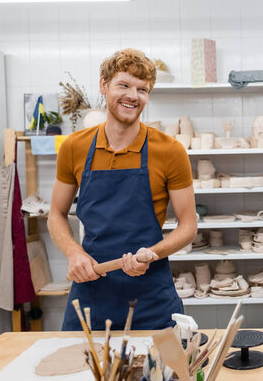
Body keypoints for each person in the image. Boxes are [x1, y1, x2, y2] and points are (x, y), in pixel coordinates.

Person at [48, 48, 197, 331]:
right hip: (90, 292)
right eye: (124, 85)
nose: (133, 96)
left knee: (160, 375)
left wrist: (151, 253)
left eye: (142, 89)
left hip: (150, 297)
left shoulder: (169, 151)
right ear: (104, 86)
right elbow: (55, 213)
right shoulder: (74, 147)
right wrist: (74, 253)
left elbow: (188, 226)